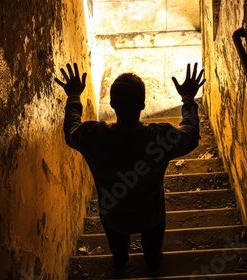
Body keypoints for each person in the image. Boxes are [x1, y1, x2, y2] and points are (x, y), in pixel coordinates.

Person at [54, 62, 206, 270]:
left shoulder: (93, 137)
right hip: (151, 215)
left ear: (112, 104)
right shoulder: (160, 138)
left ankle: (121, 263)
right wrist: (188, 99)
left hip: (113, 217)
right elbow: (190, 133)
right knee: (153, 251)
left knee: (118, 250)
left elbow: (71, 128)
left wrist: (73, 97)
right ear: (143, 105)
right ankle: (153, 264)